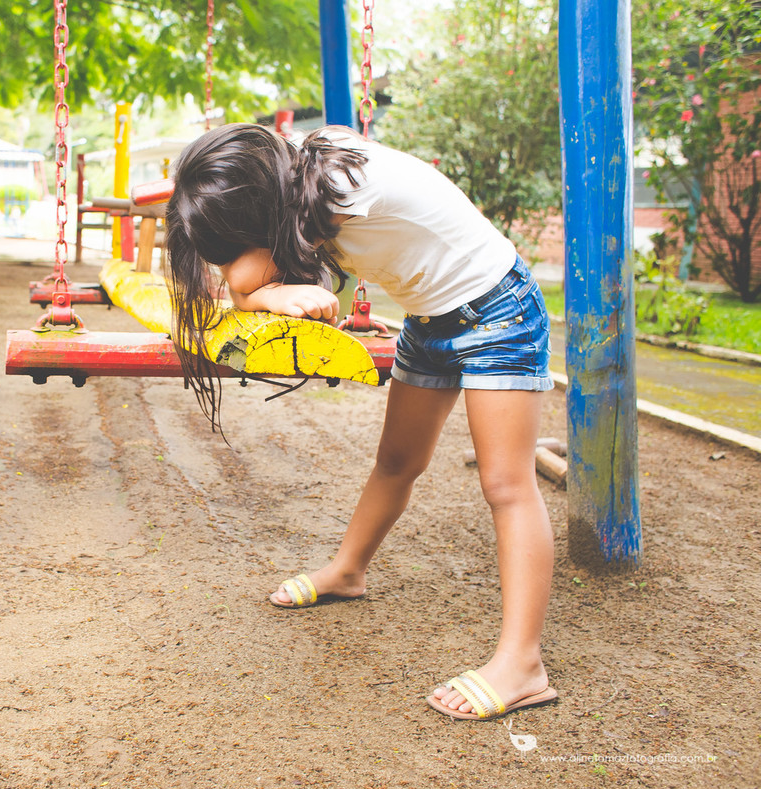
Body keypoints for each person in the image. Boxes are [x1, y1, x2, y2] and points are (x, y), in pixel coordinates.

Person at [164, 123, 558, 721]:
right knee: (396, 463)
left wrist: (263, 290)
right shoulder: (293, 188)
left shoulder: (343, 186)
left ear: (262, 212)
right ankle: (348, 571)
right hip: (430, 320)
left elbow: (245, 283)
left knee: (506, 484)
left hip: (497, 310)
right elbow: (248, 287)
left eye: (234, 244)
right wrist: (269, 295)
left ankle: (523, 664)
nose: (231, 265)